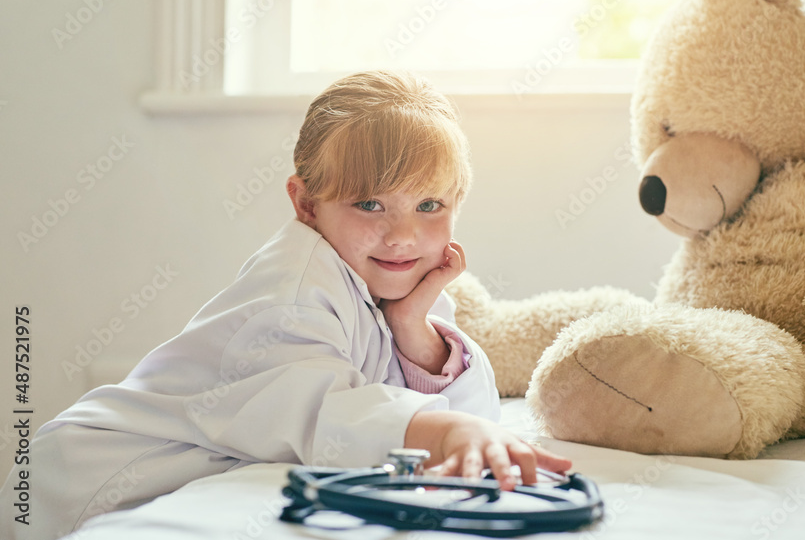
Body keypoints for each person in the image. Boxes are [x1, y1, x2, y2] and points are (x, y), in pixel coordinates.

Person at [1, 71, 570, 540]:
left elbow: (476, 414)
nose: (402, 235)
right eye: (370, 203)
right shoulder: (291, 294)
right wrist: (443, 434)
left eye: (428, 205)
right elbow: (325, 413)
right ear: (306, 202)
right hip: (85, 485)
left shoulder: (388, 282)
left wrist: (413, 326)